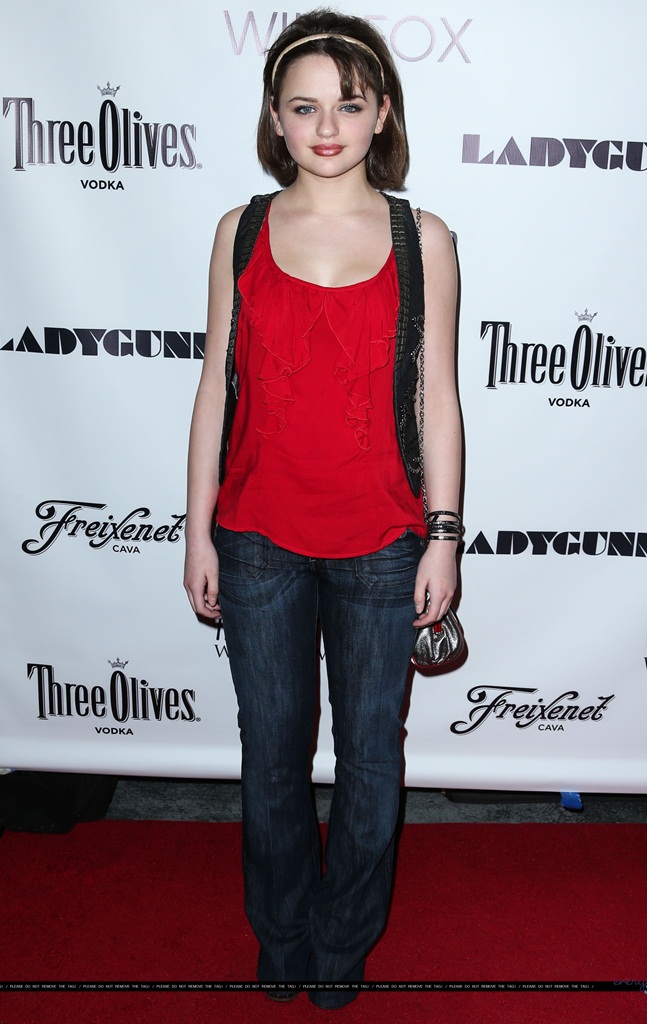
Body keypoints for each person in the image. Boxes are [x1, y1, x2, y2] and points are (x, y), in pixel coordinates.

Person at [183, 8, 461, 1009]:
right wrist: (196, 529)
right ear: (275, 118)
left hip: (384, 542)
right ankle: (283, 933)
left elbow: (436, 396)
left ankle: (342, 945)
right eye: (303, 107)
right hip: (255, 537)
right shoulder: (241, 231)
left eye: (347, 103)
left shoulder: (422, 238)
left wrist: (442, 536)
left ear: (381, 111)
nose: (326, 126)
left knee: (371, 762)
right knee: (270, 756)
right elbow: (213, 388)